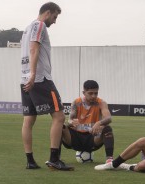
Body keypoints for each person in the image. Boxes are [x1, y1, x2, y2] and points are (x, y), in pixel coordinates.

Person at [20, 2, 73, 171]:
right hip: (40, 79)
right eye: (55, 17)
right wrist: (34, 74)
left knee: (29, 119)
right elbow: (34, 49)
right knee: (59, 116)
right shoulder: (39, 25)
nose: (55, 21)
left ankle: (30, 160)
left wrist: (28, 75)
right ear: (47, 12)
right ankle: (54, 159)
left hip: (24, 79)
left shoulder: (27, 28)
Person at [62, 80, 114, 163]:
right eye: (90, 93)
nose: (93, 96)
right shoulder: (76, 103)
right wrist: (72, 122)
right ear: (84, 92)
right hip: (76, 139)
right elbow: (69, 120)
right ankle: (55, 159)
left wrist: (99, 123)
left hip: (93, 137)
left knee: (107, 128)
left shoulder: (101, 103)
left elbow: (109, 118)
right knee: (60, 127)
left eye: (96, 93)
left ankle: (109, 161)